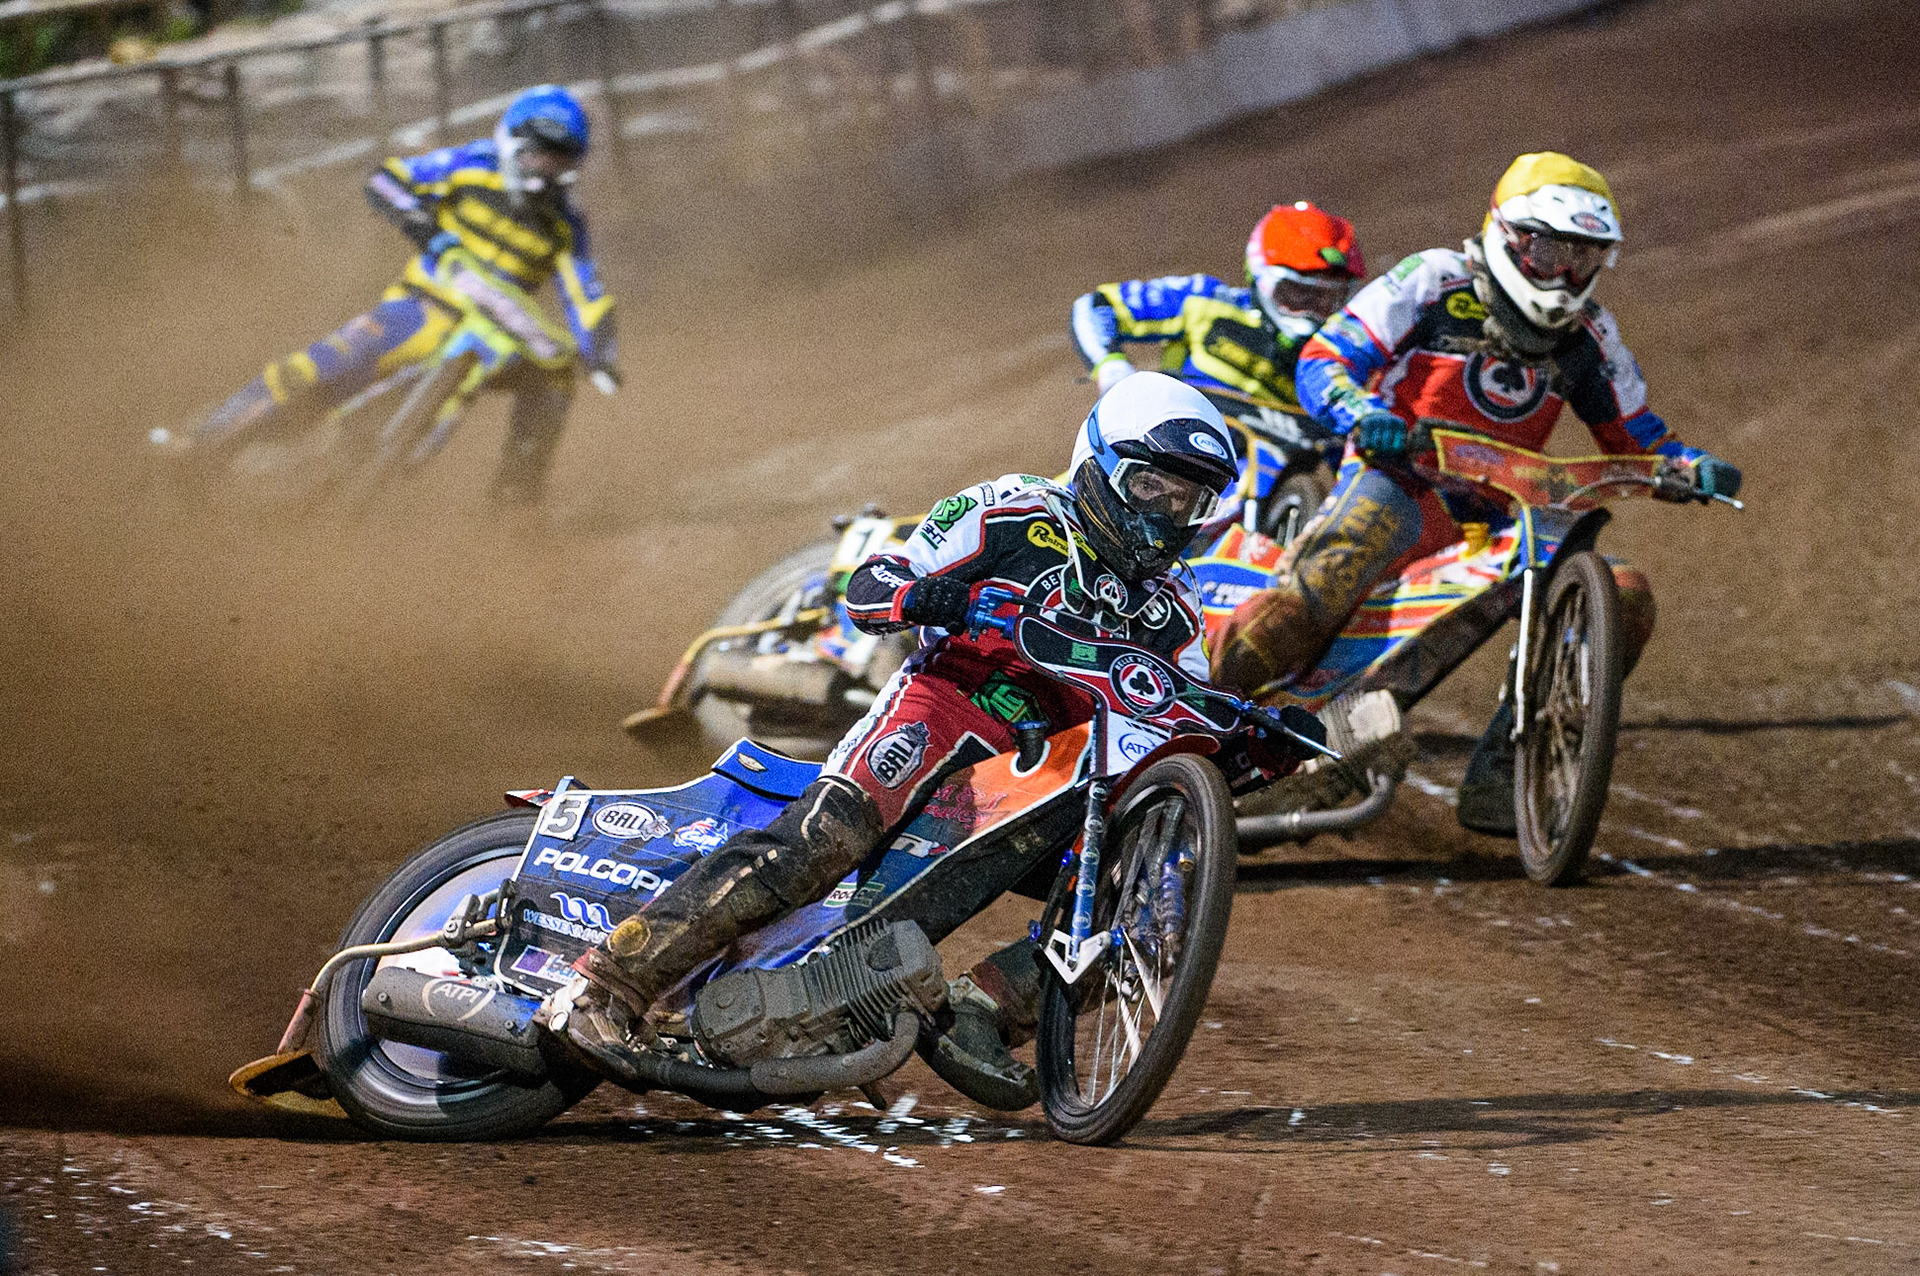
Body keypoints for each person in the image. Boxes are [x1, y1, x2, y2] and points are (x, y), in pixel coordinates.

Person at [550, 373, 1245, 1109]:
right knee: (824, 839)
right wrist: (925, 594)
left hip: (1049, 771)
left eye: (1185, 501)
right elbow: (873, 581)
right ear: (1099, 464)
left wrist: (1252, 727)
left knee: (1156, 908)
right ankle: (607, 984)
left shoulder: (1176, 602)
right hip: (946, 704)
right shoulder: (1015, 508)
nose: (1164, 516)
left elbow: (1187, 706)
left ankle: (983, 1009)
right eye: (1149, 487)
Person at [1211, 153, 1743, 836]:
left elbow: (1635, 437)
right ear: (1510, 235)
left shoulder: (1591, 337)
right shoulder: (1433, 280)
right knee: (1343, 556)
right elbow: (1327, 358)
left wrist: (1686, 466)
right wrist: (1359, 412)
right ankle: (1188, 714)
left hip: (1500, 521)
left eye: (1584, 258)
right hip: (1397, 480)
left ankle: (1507, 776)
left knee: (1626, 592)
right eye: (1551, 249)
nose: (1565, 274)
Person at [185, 85, 619, 504]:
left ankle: (514, 507)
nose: (546, 171)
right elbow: (387, 178)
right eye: (539, 155)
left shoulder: (566, 226)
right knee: (321, 366)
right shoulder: (468, 167)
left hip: (496, 336)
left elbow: (586, 295)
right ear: (512, 143)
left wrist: (600, 356)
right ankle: (206, 443)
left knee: (556, 375)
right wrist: (426, 230)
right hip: (424, 308)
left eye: (560, 162)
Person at [1069, 201, 1365, 420]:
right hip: (1163, 448)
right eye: (1298, 293)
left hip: (1265, 490)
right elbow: (1095, 307)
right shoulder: (1204, 301)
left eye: (1327, 299)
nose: (1311, 311)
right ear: (1261, 278)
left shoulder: (1341, 364)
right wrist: (1110, 365)